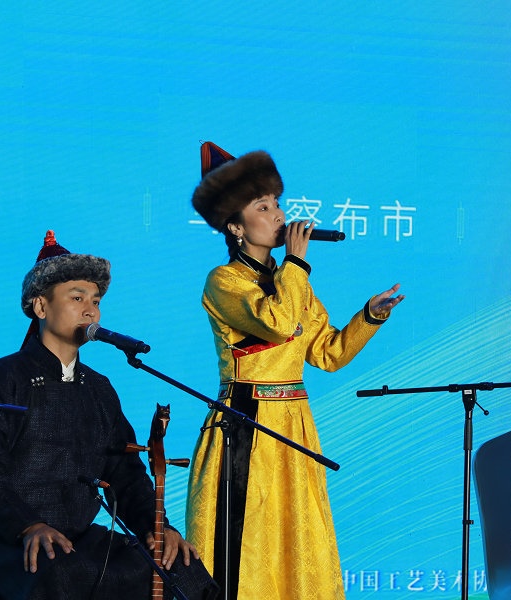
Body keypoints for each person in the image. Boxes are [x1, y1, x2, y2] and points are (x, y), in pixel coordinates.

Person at [185, 142, 405, 599]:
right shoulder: (225, 281)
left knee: (297, 545)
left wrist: (370, 317)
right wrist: (297, 263)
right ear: (235, 226)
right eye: (262, 207)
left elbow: (328, 353)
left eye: (277, 204)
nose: (279, 215)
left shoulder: (291, 279)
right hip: (246, 426)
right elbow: (279, 322)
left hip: (294, 426)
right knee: (245, 550)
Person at [0, 230, 218, 600]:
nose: (90, 310)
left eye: (95, 300)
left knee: (181, 567)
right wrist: (28, 526)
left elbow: (125, 474)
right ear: (40, 307)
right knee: (62, 573)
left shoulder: (98, 388)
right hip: (6, 542)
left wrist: (158, 529)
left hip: (77, 540)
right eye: (76, 298)